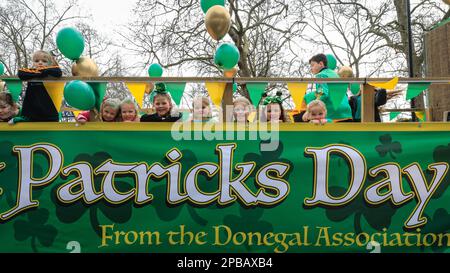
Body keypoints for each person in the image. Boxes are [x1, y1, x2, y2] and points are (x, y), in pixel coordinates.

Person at [295, 54, 353, 123]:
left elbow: (322, 93)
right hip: (346, 113)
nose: (311, 68)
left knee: (300, 117)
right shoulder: (335, 74)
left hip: (334, 114)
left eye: (312, 65)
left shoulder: (321, 75)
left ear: (321, 64)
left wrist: (309, 110)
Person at [10, 50, 62, 124]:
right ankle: (26, 117)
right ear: (33, 62)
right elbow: (21, 73)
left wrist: (44, 71)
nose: (40, 63)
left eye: (44, 61)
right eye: (37, 61)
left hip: (48, 109)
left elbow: (58, 72)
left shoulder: (51, 72)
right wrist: (39, 74)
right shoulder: (31, 71)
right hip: (32, 109)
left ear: (49, 63)